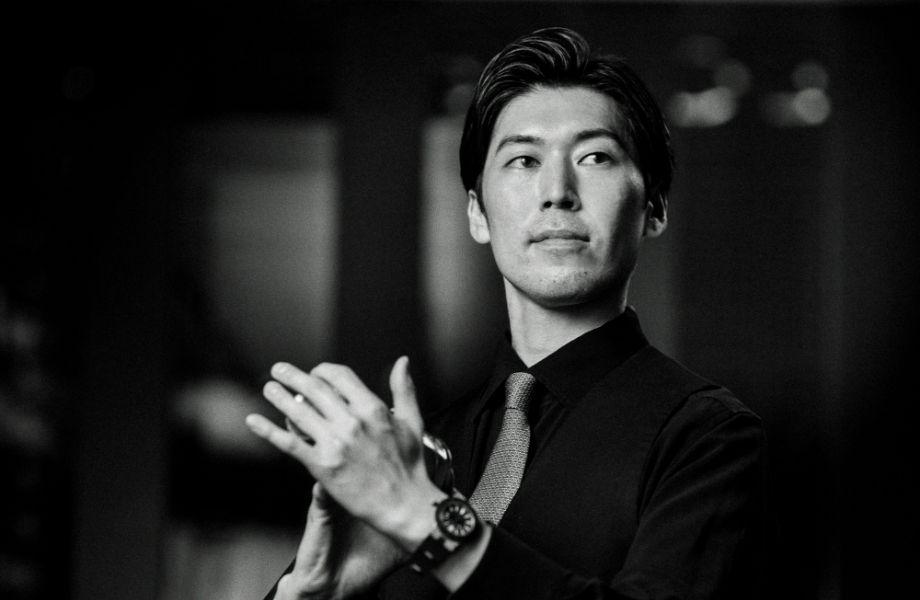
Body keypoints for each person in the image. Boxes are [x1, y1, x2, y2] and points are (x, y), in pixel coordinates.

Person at [245, 26, 768, 599]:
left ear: (654, 208)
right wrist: (310, 593)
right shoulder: (417, 453)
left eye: (595, 156)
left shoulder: (706, 436)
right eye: (523, 160)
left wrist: (424, 521)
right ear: (477, 213)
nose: (557, 191)